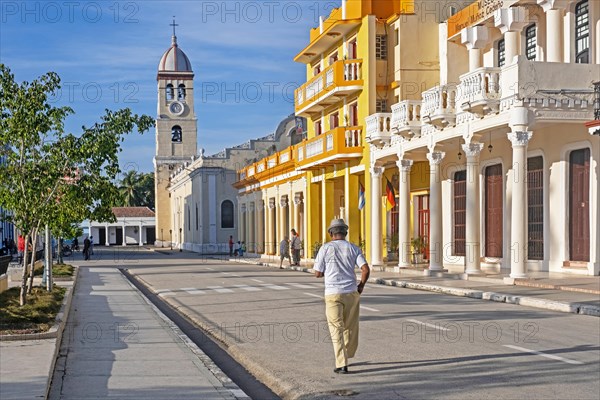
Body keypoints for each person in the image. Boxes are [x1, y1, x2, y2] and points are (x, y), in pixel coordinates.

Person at [313, 218, 370, 375]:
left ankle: (341, 363)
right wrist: (361, 286)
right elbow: (365, 269)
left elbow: (317, 273)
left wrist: (326, 271)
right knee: (350, 327)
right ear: (345, 233)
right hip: (351, 292)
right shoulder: (353, 248)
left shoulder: (325, 249)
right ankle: (347, 354)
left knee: (336, 328)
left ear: (331, 233)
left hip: (332, 293)